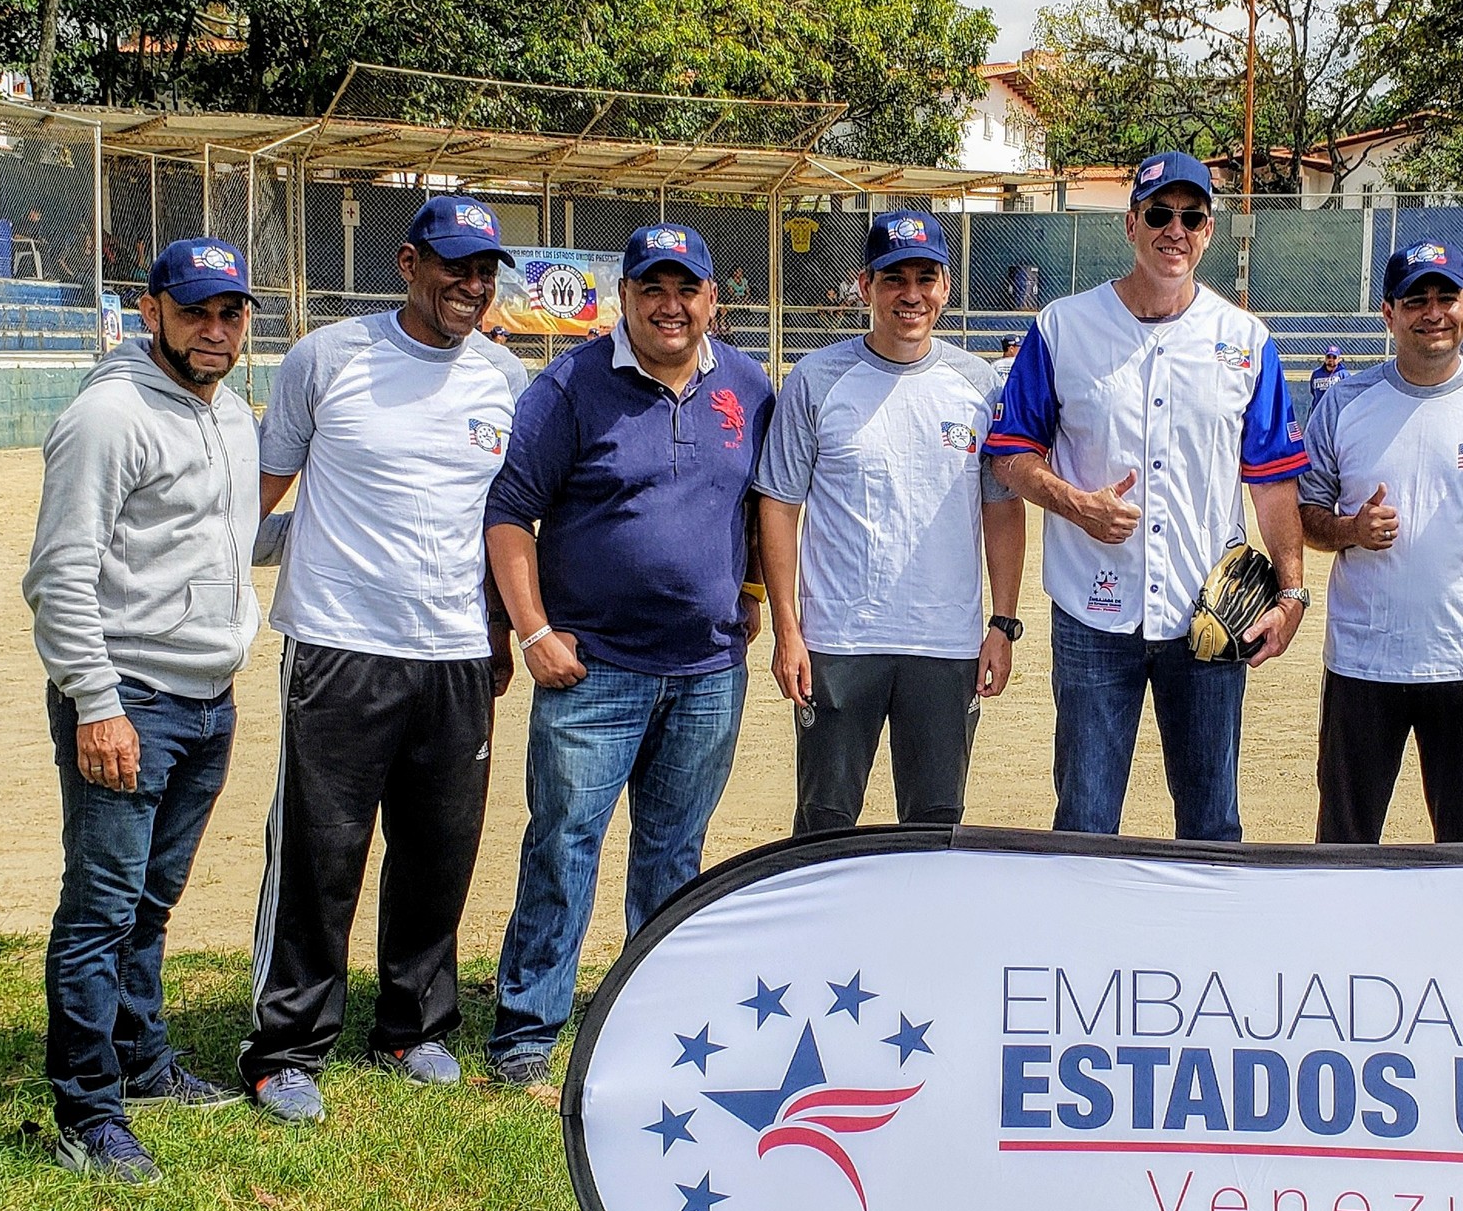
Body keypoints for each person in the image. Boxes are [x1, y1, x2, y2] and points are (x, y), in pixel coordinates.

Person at [239, 196, 527, 1123]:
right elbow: (259, 489)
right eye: (454, 266)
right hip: (337, 642)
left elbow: (510, 523)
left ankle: (414, 1026)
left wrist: (504, 629)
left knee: (439, 852)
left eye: (485, 272)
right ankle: (285, 1047)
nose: (471, 286)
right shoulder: (328, 358)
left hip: (454, 653)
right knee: (322, 851)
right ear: (406, 263)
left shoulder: (507, 379)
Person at [481, 226, 774, 1087]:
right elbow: (510, 514)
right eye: (653, 287)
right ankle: (528, 1030)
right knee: (565, 841)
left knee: (673, 852)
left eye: (687, 289)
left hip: (707, 672)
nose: (670, 305)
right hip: (593, 666)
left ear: (713, 300)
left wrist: (750, 598)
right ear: (625, 297)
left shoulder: (749, 386)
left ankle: (654, 1018)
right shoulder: (570, 386)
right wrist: (532, 631)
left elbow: (765, 508)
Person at [23, 239, 261, 1181]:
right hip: (130, 697)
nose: (215, 329)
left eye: (230, 312)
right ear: (150, 307)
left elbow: (226, 538)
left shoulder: (232, 412)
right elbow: (59, 574)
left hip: (209, 699)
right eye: (196, 310)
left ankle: (141, 1059)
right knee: (100, 910)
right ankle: (87, 1110)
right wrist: (96, 703)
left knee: (150, 903)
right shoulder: (109, 416)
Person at [985, 152, 1309, 841]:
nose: (1175, 229)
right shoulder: (1064, 328)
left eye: (1192, 217)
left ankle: (1210, 950)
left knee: (1213, 821)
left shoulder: (1245, 341)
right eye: (1160, 213)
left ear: (1209, 232)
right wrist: (1076, 504)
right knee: (1085, 818)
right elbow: (1011, 455)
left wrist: (1292, 592)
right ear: (1131, 223)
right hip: (1093, 611)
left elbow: (1274, 476)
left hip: (1214, 607)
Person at [757, 210, 1026, 835]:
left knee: (934, 828)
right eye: (894, 278)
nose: (911, 295)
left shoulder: (978, 385)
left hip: (945, 646)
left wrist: (1003, 625)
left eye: (926, 277)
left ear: (946, 286)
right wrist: (789, 632)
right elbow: (779, 506)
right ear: (865, 287)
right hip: (840, 642)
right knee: (823, 825)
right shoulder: (816, 380)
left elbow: (1001, 507)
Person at [1296, 241, 1463, 844]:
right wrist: (1350, 531)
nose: (1433, 312)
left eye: (1447, 297)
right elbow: (1307, 515)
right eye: (1415, 299)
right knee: (1343, 843)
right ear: (1388, 313)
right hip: (1363, 663)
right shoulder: (1344, 401)